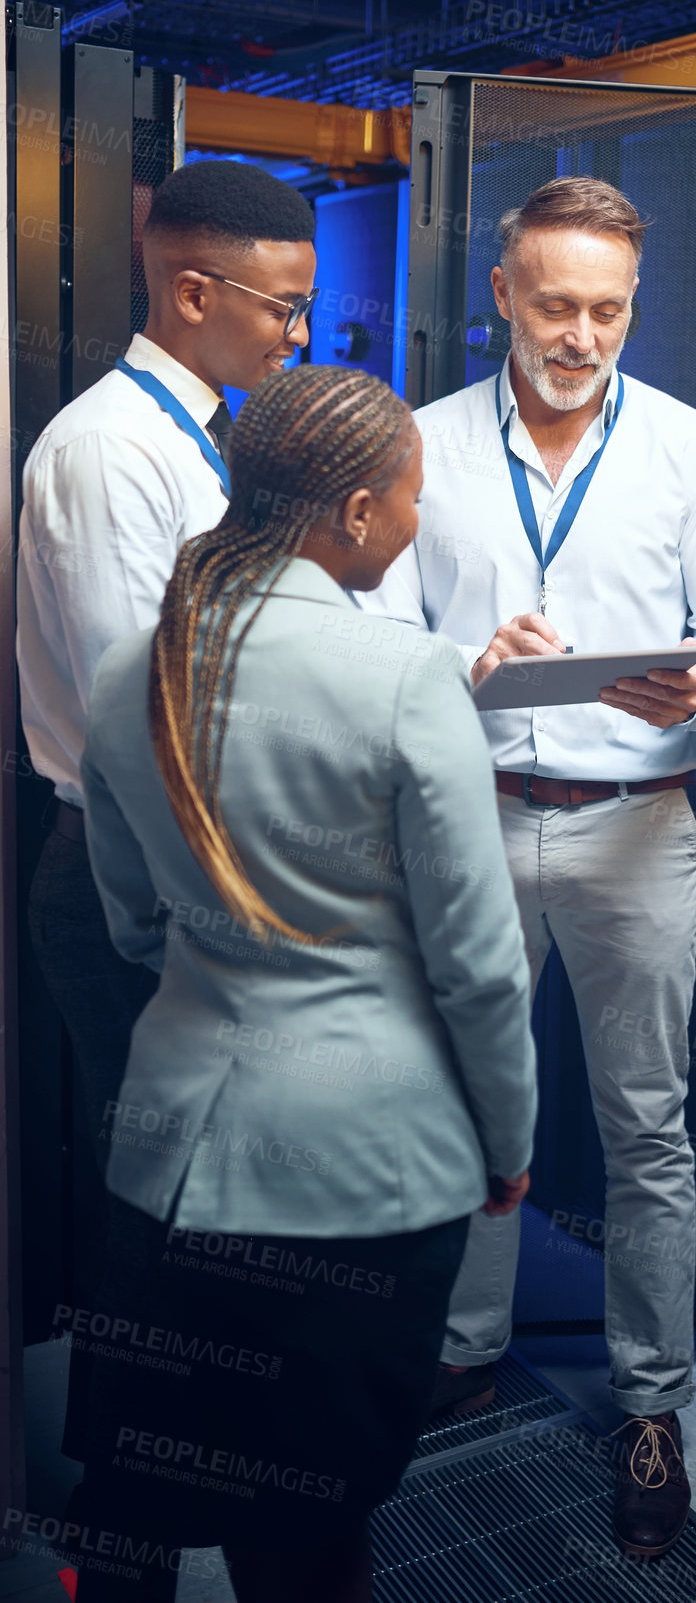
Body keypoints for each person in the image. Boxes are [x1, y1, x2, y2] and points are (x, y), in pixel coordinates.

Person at [64, 364, 537, 1602]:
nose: (417, 520)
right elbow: (480, 965)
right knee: (305, 1529)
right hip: (360, 1177)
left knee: (133, 1504)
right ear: (359, 514)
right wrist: (507, 1143)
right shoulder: (406, 675)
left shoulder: (131, 666)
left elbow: (125, 925)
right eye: (411, 497)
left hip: (165, 1163)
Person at [366, 175, 696, 1560]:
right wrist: (458, 666)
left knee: (647, 1129)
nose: (581, 334)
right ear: (502, 295)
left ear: (631, 306)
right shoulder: (420, 446)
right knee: (472, 1113)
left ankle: (651, 1404)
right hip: (469, 816)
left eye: (606, 310)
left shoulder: (692, 450)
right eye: (555, 305)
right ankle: (462, 1352)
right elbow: (370, 635)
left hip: (638, 827)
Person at [16, 157, 317, 1456]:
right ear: (196, 292)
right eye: (282, 309)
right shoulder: (104, 452)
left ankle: (170, 1465)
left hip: (183, 869)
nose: (297, 336)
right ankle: (125, 1508)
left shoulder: (194, 438)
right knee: (147, 1199)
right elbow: (139, 710)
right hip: (127, 874)